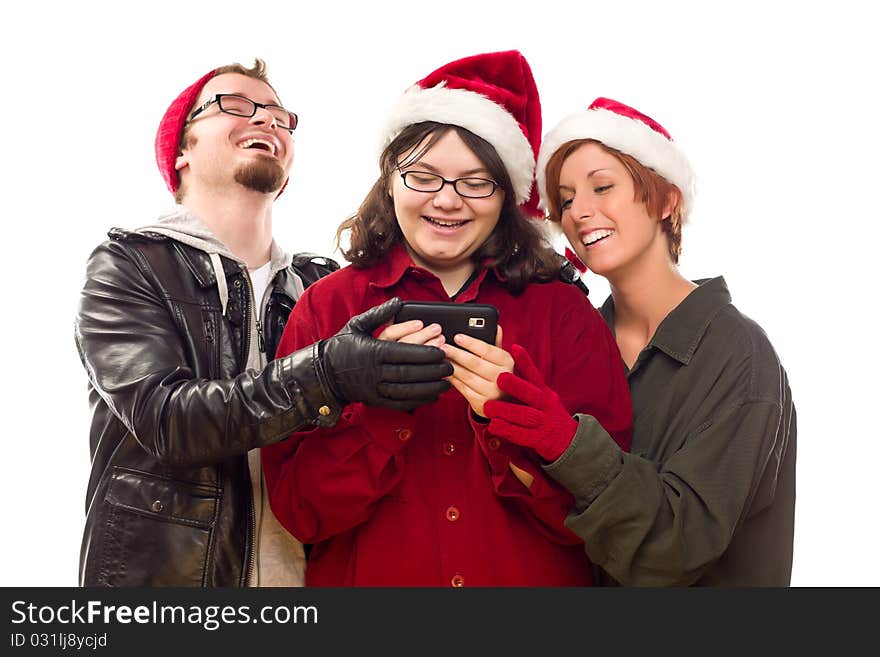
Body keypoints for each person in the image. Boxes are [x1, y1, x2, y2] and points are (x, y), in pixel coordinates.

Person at [74, 59, 452, 587]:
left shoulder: (321, 285)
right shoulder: (130, 263)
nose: (267, 121)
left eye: (279, 115)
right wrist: (328, 374)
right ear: (181, 151)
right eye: (235, 105)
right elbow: (165, 419)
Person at [261, 51, 632, 586]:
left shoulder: (563, 313)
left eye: (476, 182)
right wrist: (383, 413)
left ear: (506, 198)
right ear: (390, 181)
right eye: (424, 177)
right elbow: (300, 512)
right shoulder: (326, 307)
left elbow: (602, 519)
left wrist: (513, 418)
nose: (448, 201)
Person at [492, 96, 796, 585]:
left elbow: (678, 546)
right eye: (566, 199)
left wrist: (570, 447)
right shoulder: (579, 341)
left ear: (666, 199)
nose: (579, 212)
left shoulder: (738, 354)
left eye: (603, 187)